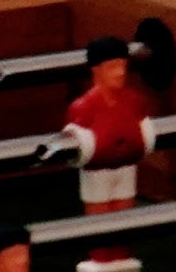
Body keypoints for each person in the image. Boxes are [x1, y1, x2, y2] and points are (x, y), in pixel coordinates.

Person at [62, 45, 153, 209]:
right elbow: (76, 140)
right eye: (113, 67)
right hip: (97, 172)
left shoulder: (135, 101)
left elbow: (144, 131)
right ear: (96, 70)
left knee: (124, 218)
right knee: (99, 222)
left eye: (123, 66)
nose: (120, 72)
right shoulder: (83, 107)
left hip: (126, 167)